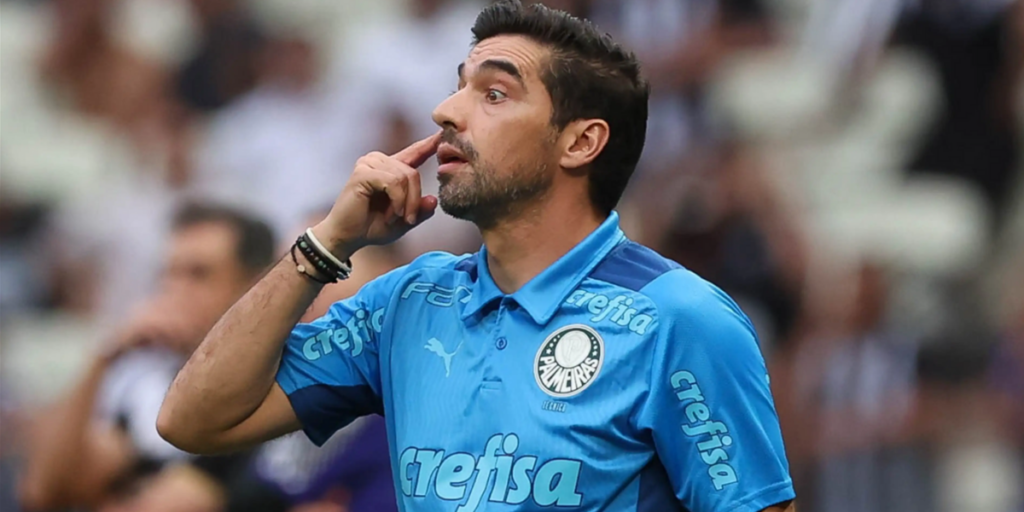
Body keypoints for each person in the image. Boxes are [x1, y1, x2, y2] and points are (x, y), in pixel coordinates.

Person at [157, 2, 796, 511]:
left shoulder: (679, 320)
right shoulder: (405, 303)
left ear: (580, 142)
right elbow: (193, 420)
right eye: (459, 87)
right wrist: (327, 244)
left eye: (494, 95)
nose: (445, 112)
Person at [19, 203, 276, 511]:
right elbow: (45, 490)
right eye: (168, 273)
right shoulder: (150, 382)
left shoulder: (269, 388)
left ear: (255, 286)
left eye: (198, 274)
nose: (173, 289)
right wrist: (105, 355)